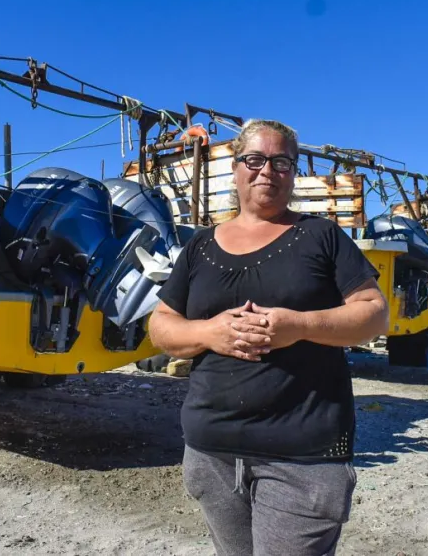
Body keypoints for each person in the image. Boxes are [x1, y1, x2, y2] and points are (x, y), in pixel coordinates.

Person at [148, 119, 390, 556]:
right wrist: (210, 332)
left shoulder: (321, 236)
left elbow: (374, 314)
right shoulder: (201, 246)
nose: (267, 171)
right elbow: (161, 325)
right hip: (212, 450)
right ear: (236, 168)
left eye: (281, 162)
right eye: (255, 160)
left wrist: (298, 326)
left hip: (303, 453)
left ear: (294, 172)